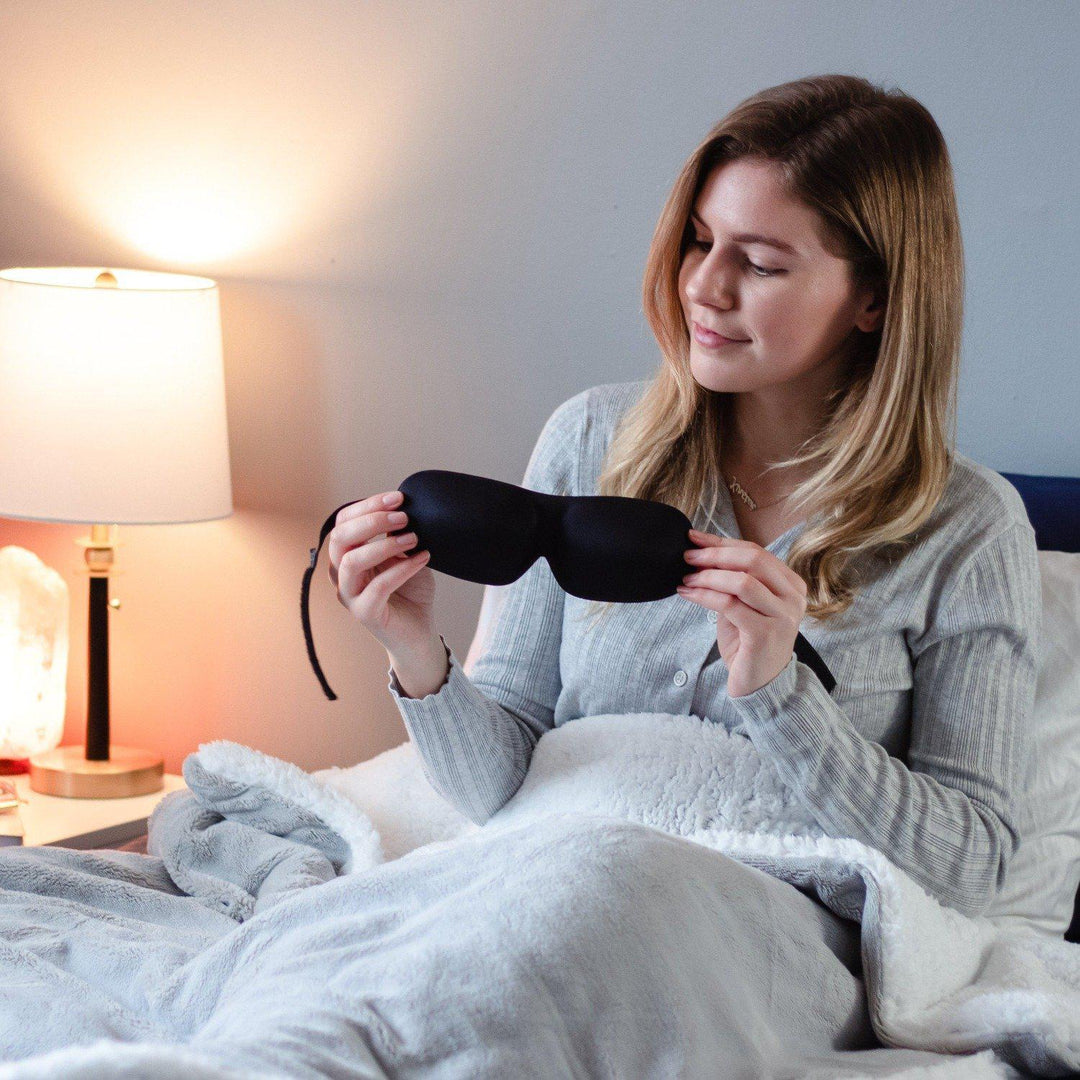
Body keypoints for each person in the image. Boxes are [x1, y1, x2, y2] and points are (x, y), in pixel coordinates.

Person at [326, 73, 1039, 938]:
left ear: (875, 298)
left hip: (758, 947)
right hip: (548, 893)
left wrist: (783, 696)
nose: (704, 286)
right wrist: (416, 654)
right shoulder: (592, 440)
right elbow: (497, 786)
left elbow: (973, 874)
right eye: (699, 241)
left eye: (762, 262)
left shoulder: (969, 527)